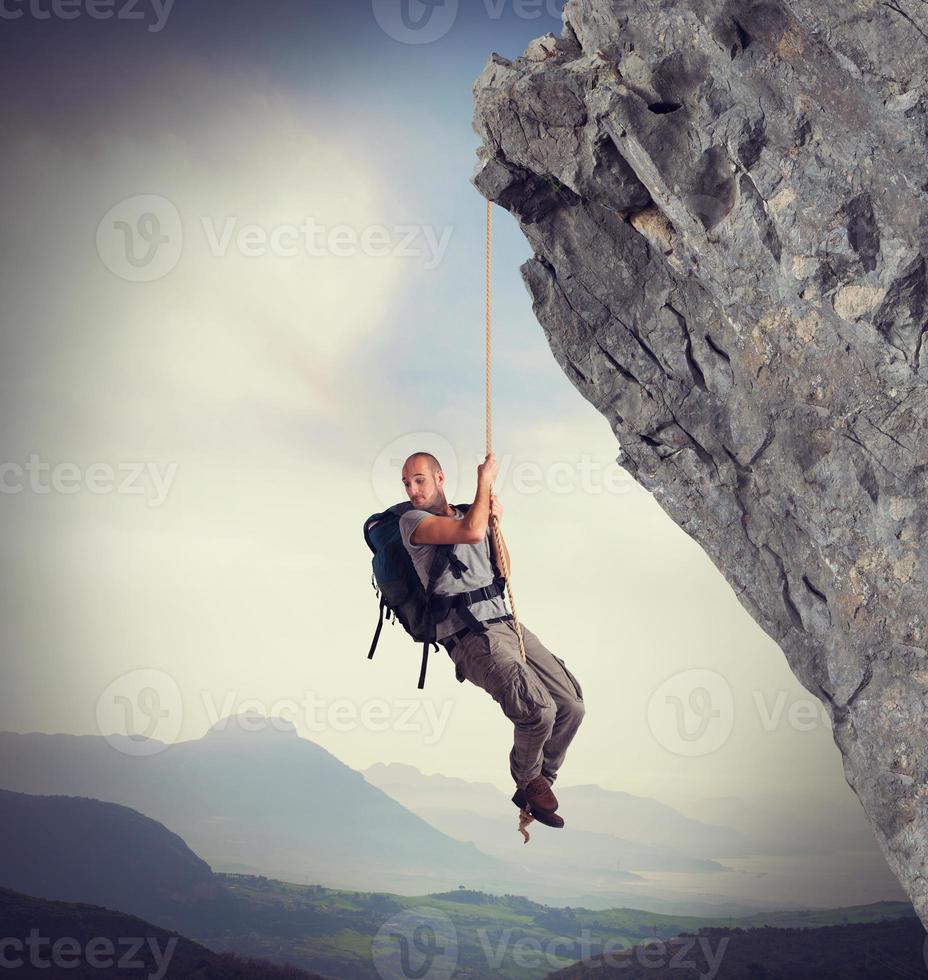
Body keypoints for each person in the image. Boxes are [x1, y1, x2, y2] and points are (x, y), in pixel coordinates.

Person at [397, 450, 585, 829]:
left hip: (506, 622)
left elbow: (504, 569)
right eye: (406, 483)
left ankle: (540, 782)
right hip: (470, 634)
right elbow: (470, 533)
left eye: (419, 479)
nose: (413, 490)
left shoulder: (473, 513)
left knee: (570, 705)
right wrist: (485, 481)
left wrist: (497, 521)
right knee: (537, 710)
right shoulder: (412, 522)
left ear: (439, 478)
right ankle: (528, 779)